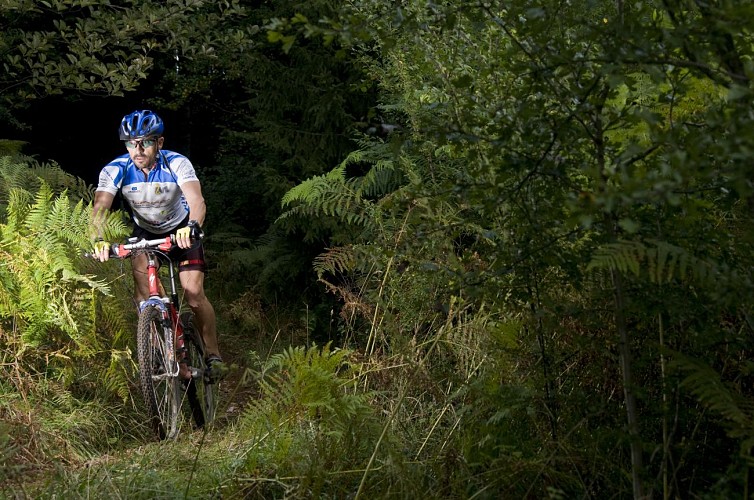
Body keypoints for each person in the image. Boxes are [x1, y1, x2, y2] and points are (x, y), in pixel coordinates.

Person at [91, 109, 225, 381]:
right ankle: (162, 344)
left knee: (194, 295)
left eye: (146, 142)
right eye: (131, 143)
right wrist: (99, 240)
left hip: (182, 231)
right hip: (146, 233)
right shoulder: (116, 169)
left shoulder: (177, 163)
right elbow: (100, 209)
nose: (137, 149)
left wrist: (193, 226)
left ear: (160, 143)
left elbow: (197, 201)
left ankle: (213, 354)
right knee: (146, 298)